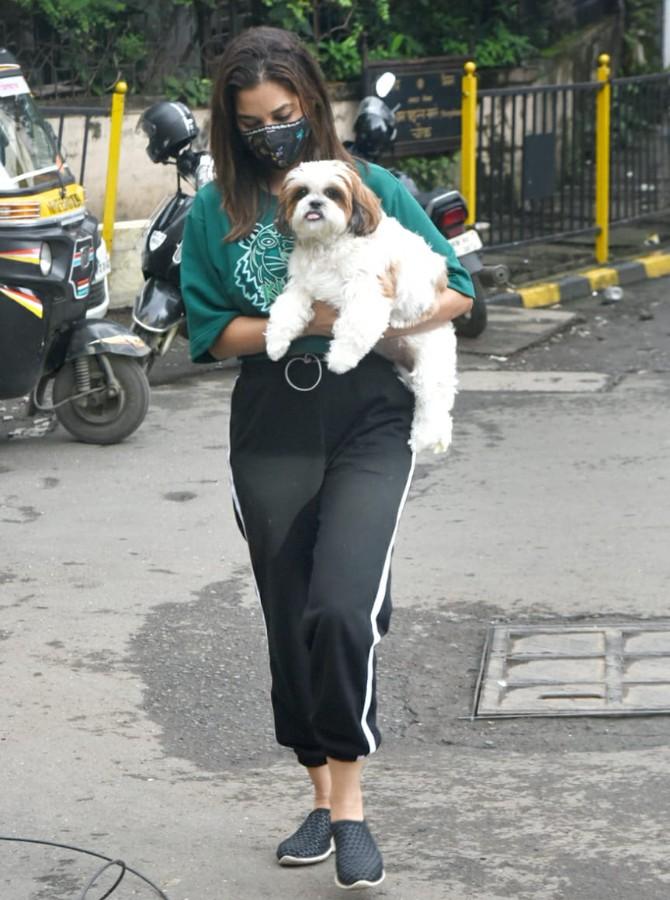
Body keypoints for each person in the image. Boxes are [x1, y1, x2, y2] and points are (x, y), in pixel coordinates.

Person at [180, 25, 475, 890]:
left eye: (283, 114)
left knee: (343, 607)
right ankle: (318, 794)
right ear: (230, 126)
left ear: (310, 102)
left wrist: (383, 309)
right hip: (272, 423)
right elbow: (214, 332)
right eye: (251, 123)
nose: (270, 132)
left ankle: (350, 809)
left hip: (370, 415)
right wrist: (315, 316)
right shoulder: (216, 211)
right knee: (291, 616)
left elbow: (459, 291)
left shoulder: (371, 186)